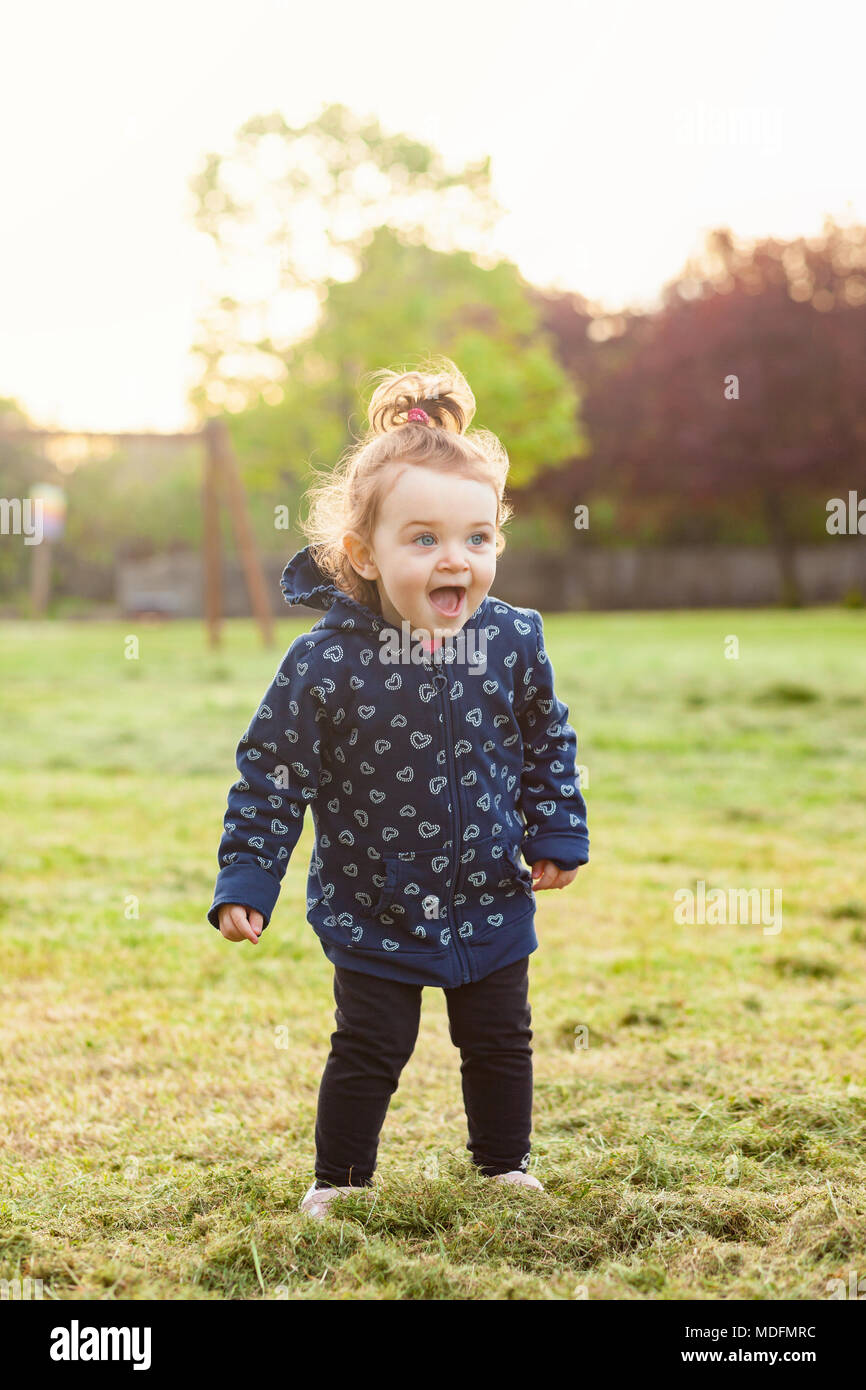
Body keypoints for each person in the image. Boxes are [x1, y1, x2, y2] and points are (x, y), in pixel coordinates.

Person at [206, 358, 589, 1218]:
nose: (456, 560)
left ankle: (502, 1167)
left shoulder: (513, 639)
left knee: (499, 1040)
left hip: (489, 892)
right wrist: (248, 879)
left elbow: (545, 737)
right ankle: (339, 1186)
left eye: (477, 539)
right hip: (373, 901)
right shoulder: (324, 663)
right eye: (424, 540)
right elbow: (273, 775)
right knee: (370, 1047)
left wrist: (556, 829)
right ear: (363, 556)